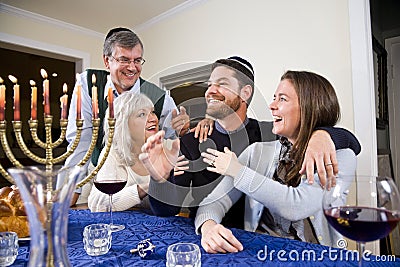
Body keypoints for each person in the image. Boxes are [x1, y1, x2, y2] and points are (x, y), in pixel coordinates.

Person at [139, 56, 361, 230]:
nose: (210, 91)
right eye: (209, 84)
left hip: (259, 238)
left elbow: (351, 143)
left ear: (245, 92)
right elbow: (166, 211)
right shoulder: (192, 140)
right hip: (211, 233)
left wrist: (323, 135)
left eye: (222, 83)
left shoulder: (270, 133)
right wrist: (159, 180)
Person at [195, 70, 356, 252]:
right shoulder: (256, 151)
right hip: (259, 256)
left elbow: (296, 206)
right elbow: (213, 202)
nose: (272, 105)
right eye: (274, 98)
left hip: (318, 258)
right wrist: (208, 228)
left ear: (310, 106)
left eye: (282, 99)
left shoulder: (341, 157)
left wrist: (237, 171)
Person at [63, 27, 189, 205]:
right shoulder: (89, 84)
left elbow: (174, 138)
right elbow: (80, 142)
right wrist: (71, 190)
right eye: (124, 60)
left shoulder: (160, 97)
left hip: (141, 180)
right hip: (97, 179)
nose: (132, 67)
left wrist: (184, 130)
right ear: (107, 61)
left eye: (137, 60)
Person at [88, 92, 175, 211]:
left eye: (153, 112)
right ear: (124, 123)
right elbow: (97, 204)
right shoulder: (114, 153)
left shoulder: (170, 148)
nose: (153, 119)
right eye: (142, 114)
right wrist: (146, 187)